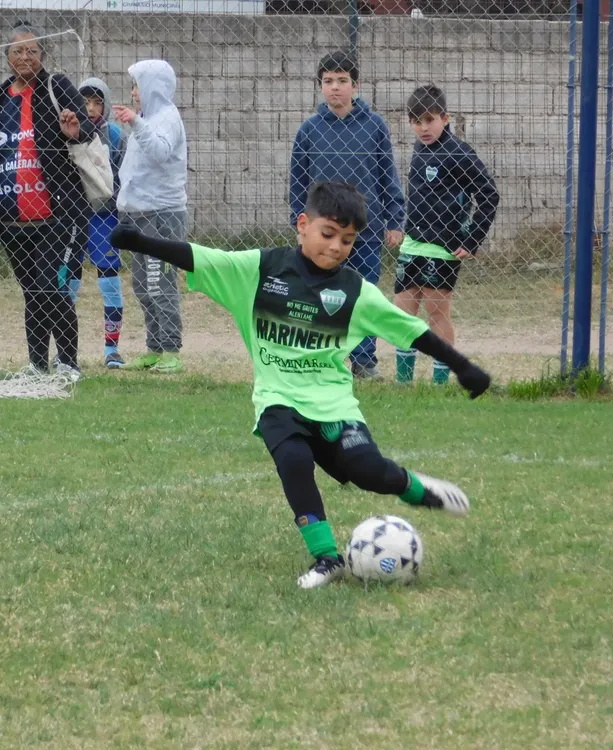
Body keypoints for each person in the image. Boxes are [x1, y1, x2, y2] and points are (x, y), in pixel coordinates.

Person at [109, 181, 491, 589]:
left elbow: (413, 332)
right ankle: (327, 557)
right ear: (303, 226)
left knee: (369, 472)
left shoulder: (353, 292)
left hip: (333, 403)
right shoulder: (262, 270)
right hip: (278, 398)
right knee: (292, 460)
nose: (336, 247)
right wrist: (140, 241)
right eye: (328, 234)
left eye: (347, 240)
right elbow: (202, 258)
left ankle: (416, 489)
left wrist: (462, 366)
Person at [0, 20, 94, 380]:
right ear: (7, 58)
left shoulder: (56, 86)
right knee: (32, 292)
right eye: (18, 51)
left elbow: (88, 130)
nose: (25, 57)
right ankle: (36, 364)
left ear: (42, 55)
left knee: (51, 285)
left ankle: (68, 362)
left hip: (58, 215)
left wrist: (73, 130)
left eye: (32, 50)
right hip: (12, 218)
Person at [289, 51, 405, 379]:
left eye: (342, 81)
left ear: (355, 85)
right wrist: (299, 222)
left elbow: (387, 176)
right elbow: (297, 181)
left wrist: (395, 219)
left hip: (365, 234)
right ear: (320, 87)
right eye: (328, 81)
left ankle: (364, 361)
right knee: (319, 296)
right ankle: (322, 358)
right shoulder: (309, 130)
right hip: (321, 234)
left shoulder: (374, 126)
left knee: (362, 294)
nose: (335, 88)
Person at [394, 85, 500, 385]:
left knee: (437, 314)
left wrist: (472, 238)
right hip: (412, 244)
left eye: (429, 119)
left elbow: (489, 195)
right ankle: (403, 382)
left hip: (443, 249)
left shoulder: (460, 153)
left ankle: (440, 382)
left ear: (445, 117)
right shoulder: (419, 148)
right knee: (402, 313)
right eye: (416, 121)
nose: (423, 127)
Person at [112, 59, 187, 375]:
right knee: (143, 284)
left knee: (161, 281)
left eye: (138, 86)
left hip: (161, 215)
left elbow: (160, 152)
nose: (133, 93)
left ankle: (171, 349)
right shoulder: (146, 118)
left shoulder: (167, 118)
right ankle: (154, 347)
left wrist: (136, 125)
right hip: (137, 214)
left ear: (153, 88)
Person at [66, 77, 127, 369]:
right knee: (68, 282)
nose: (89, 108)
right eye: (84, 101)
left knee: (110, 283)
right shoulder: (66, 132)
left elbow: (124, 176)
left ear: (105, 104)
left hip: (106, 217)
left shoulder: (115, 136)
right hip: (75, 218)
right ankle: (65, 351)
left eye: (96, 102)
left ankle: (111, 350)